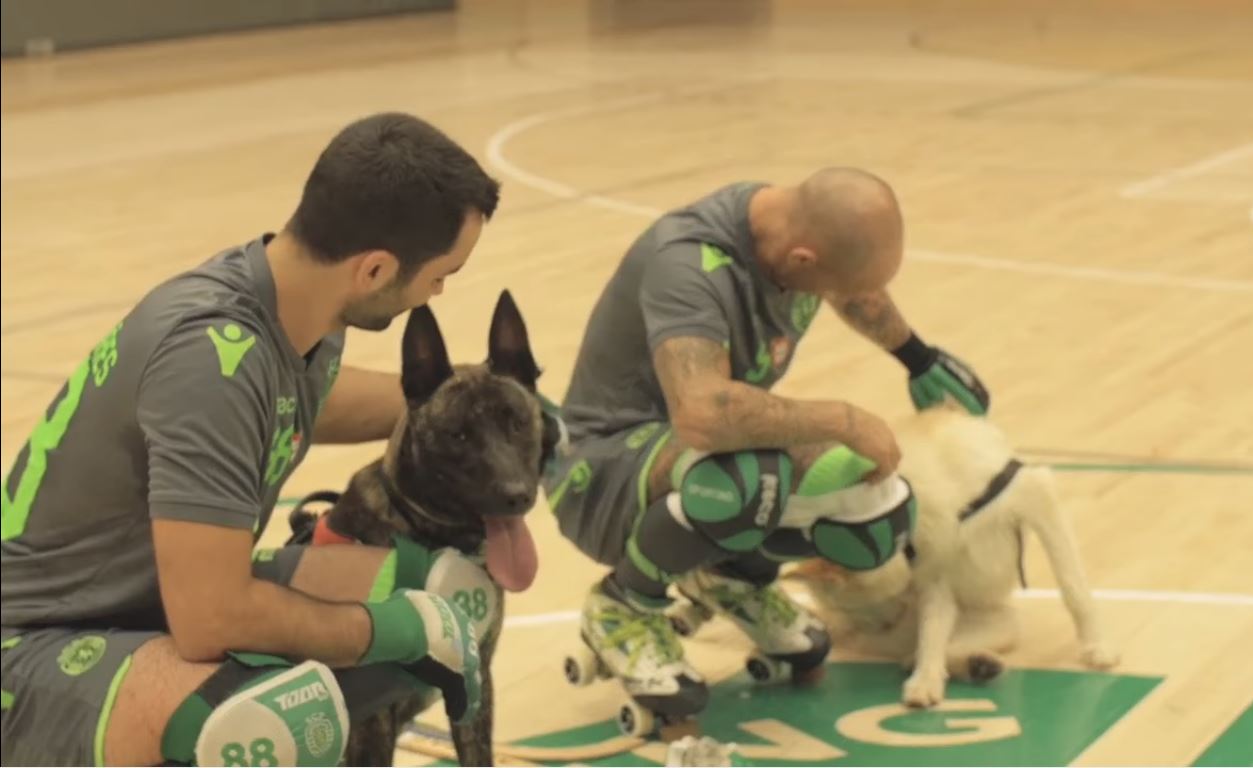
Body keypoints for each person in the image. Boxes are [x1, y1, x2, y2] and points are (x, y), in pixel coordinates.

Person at [0, 112, 516, 766]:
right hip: (34, 646)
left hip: (147, 595)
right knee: (275, 718)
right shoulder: (210, 361)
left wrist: (472, 402)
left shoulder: (296, 302)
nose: (439, 290)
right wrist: (382, 631)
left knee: (435, 586)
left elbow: (307, 398)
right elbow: (211, 619)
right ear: (376, 269)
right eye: (442, 274)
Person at [542, 168, 990, 716]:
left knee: (878, 513)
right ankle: (623, 607)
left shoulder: (788, 229)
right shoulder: (687, 265)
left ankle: (731, 580)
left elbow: (851, 287)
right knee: (744, 480)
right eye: (835, 282)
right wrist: (845, 419)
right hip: (604, 472)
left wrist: (917, 356)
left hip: (693, 460)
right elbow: (703, 415)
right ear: (802, 260)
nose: (844, 294)